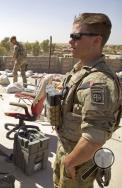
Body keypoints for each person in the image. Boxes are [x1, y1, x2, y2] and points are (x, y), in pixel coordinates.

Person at [51, 13, 122, 188]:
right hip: (68, 151)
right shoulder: (81, 70)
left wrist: (69, 162)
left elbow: (94, 139)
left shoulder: (99, 83)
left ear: (96, 41)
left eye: (76, 36)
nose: (70, 41)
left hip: (78, 162)